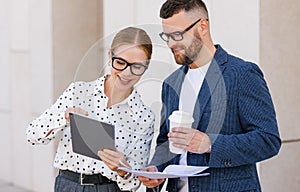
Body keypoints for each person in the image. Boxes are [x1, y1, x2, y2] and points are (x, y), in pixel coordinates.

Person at [138, 0, 281, 191]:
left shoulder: (242, 74)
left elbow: (268, 140)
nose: (171, 43)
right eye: (167, 36)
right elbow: (166, 140)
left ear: (202, 26)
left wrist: (210, 144)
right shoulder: (171, 83)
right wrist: (156, 169)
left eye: (177, 35)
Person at [26, 27, 155, 192]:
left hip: (109, 188)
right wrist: (64, 118)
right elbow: (32, 135)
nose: (126, 73)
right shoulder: (78, 92)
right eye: (120, 63)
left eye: (137, 67)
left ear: (146, 66)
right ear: (110, 56)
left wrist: (123, 170)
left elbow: (134, 184)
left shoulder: (143, 117)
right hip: (67, 185)